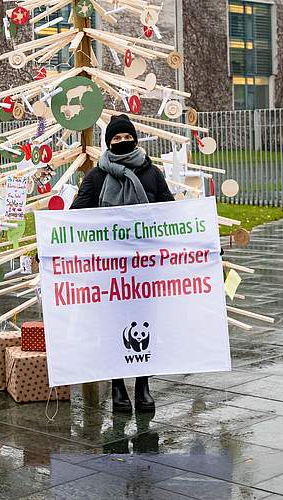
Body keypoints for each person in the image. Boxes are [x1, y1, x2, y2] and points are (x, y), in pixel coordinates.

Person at [70, 114, 170, 413]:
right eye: (116, 139)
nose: (123, 142)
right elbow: (74, 216)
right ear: (108, 143)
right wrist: (51, 246)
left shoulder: (152, 173)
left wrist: (203, 245)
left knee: (145, 325)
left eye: (127, 138)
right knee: (113, 327)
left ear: (135, 140)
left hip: (144, 267)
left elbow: (172, 214)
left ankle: (142, 386)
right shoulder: (97, 176)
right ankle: (117, 386)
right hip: (110, 270)